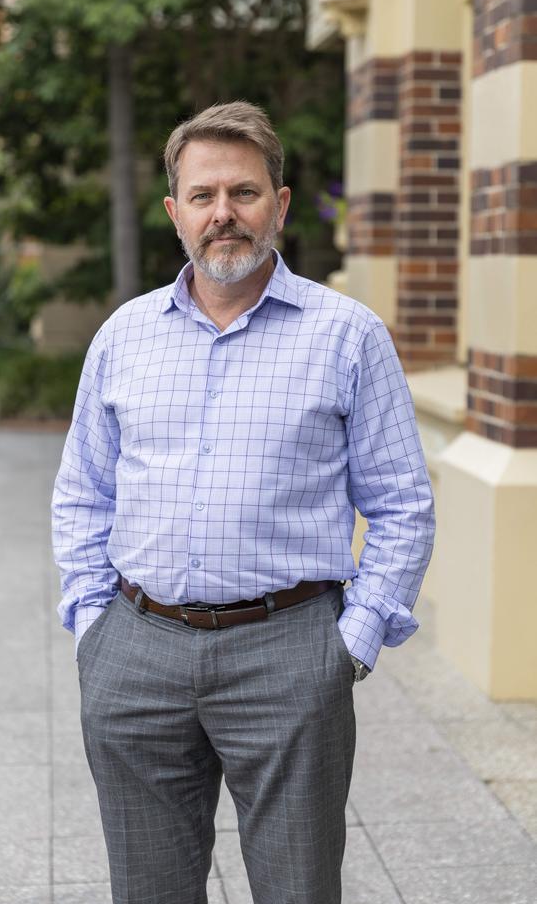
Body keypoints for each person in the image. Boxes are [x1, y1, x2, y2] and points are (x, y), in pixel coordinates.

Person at [52, 101, 435, 904]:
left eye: (244, 192)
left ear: (280, 203)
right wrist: (94, 628)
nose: (223, 213)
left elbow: (402, 504)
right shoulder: (123, 336)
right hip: (137, 650)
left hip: (290, 653)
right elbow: (83, 490)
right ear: (174, 212)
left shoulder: (346, 335)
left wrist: (349, 645)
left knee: (297, 888)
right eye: (202, 196)